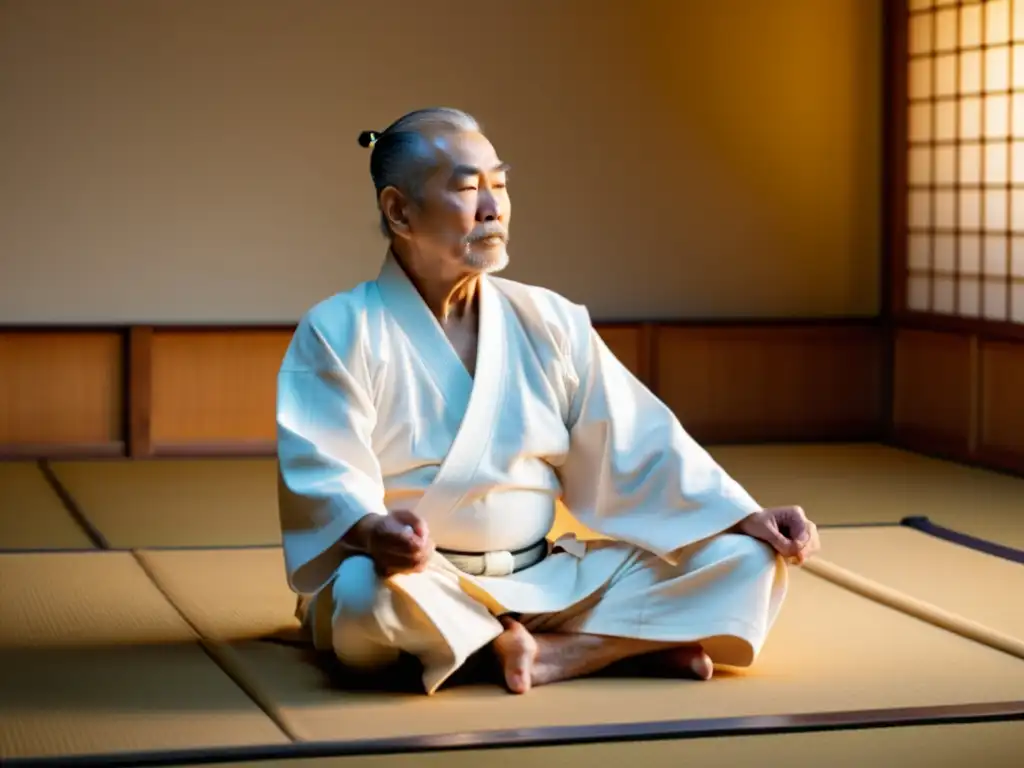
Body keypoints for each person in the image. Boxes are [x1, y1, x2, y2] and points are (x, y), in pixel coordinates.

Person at [276, 107, 820, 696]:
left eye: (500, 185)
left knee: (744, 561)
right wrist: (373, 529)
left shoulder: (551, 320)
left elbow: (638, 443)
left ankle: (549, 653)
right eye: (466, 187)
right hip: (422, 579)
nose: (493, 207)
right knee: (362, 601)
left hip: (548, 577)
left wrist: (744, 515)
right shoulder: (340, 328)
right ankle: (622, 644)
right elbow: (323, 469)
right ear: (399, 211)